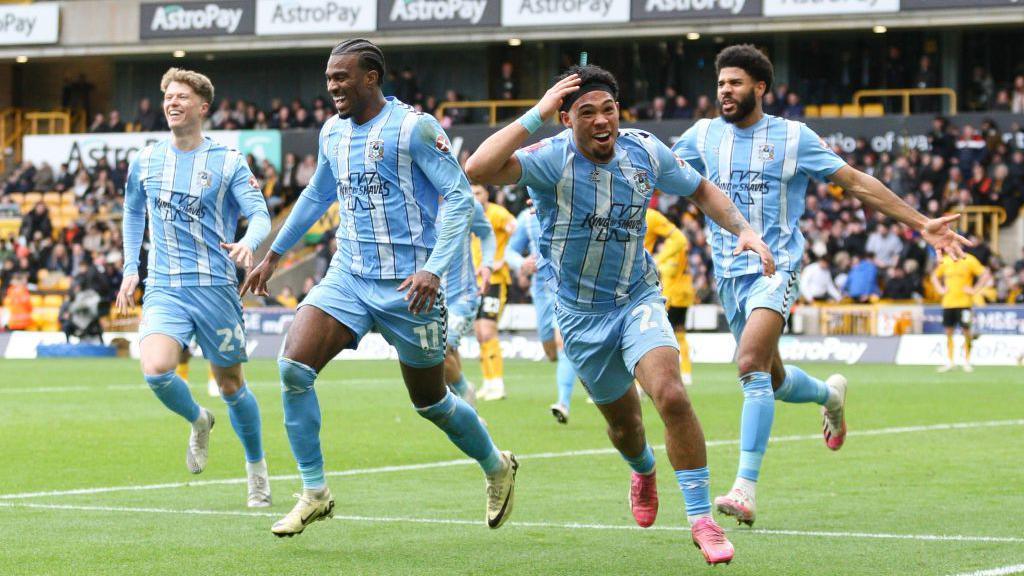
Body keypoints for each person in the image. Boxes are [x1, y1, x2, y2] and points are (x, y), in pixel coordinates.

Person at [465, 63, 777, 565]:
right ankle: (643, 467)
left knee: (671, 394)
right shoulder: (549, 159)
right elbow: (477, 169)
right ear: (566, 119)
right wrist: (537, 112)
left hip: (637, 298)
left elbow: (700, 188)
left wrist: (743, 228)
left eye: (608, 108)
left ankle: (701, 519)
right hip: (581, 316)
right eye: (586, 112)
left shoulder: (644, 149)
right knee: (626, 426)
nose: (601, 120)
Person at [672, 44, 971, 528]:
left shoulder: (793, 137)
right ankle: (829, 396)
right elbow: (652, 165)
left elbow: (855, 182)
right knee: (772, 379)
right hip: (727, 274)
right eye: (721, 84)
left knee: (749, 365)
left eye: (736, 83)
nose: (725, 91)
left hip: (777, 269)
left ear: (760, 87)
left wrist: (921, 223)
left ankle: (744, 488)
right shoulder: (702, 135)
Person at [241, 39, 518, 538]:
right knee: (293, 368)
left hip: (412, 287)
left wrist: (434, 269)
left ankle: (496, 465)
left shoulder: (414, 128)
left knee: (431, 403)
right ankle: (314, 492)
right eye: (329, 78)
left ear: (371, 77)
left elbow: (457, 198)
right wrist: (274, 255)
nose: (332, 87)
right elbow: (317, 195)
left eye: (342, 77)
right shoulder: (332, 132)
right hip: (349, 275)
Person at [115, 67, 273, 508]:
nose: (172, 101)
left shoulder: (227, 160)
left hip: (216, 287)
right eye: (168, 95)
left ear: (203, 107)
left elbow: (259, 214)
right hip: (165, 286)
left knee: (231, 385)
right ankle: (198, 419)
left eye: (182, 96)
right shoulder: (145, 160)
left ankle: (256, 470)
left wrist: (248, 242)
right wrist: (131, 268)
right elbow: (132, 212)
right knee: (156, 369)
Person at [505, 199, 578, 423]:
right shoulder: (527, 219)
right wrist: (522, 263)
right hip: (541, 291)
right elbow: (510, 251)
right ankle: (571, 368)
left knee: (562, 343)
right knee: (550, 349)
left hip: (567, 287)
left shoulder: (570, 209)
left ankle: (563, 402)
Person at [442, 195, 496, 407]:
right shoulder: (414, 201)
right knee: (449, 352)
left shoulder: (465, 203)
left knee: (439, 351)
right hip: (432, 298)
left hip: (462, 296)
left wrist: (487, 264)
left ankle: (465, 391)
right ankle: (467, 412)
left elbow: (487, 233)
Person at [472, 185, 516, 401]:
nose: (475, 197)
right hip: (474, 282)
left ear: (487, 194)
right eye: (471, 193)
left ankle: (498, 383)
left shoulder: (497, 213)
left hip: (495, 281)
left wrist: (504, 259)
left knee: (488, 331)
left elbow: (517, 232)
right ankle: (488, 382)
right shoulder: (469, 214)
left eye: (478, 193)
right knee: (480, 333)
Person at [644, 208, 695, 386]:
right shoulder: (683, 244)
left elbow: (671, 269)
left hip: (673, 294)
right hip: (686, 293)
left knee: (661, 336)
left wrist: (657, 262)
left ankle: (661, 377)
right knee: (680, 333)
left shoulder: (676, 246)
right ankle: (686, 371)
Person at [931, 253, 992, 372]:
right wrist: (940, 289)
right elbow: (934, 276)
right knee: (948, 331)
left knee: (966, 331)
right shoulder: (945, 261)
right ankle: (950, 361)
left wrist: (975, 289)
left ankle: (967, 361)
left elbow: (985, 274)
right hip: (948, 303)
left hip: (965, 303)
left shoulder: (969, 260)